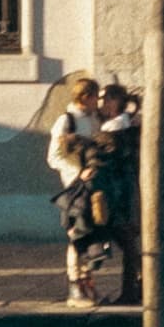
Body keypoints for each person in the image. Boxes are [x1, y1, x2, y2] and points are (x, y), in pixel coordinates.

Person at [47, 81, 109, 302]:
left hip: (95, 185)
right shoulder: (66, 121)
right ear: (85, 97)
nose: (98, 102)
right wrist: (78, 171)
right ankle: (75, 283)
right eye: (95, 97)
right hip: (75, 187)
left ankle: (88, 281)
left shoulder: (95, 119)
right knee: (77, 234)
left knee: (94, 234)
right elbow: (54, 157)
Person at [83, 80, 143, 302]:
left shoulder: (115, 128)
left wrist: (80, 145)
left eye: (106, 99)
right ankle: (137, 287)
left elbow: (104, 155)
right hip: (126, 187)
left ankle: (132, 290)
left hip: (117, 190)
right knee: (127, 241)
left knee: (125, 239)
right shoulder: (126, 124)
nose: (101, 103)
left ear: (116, 102)